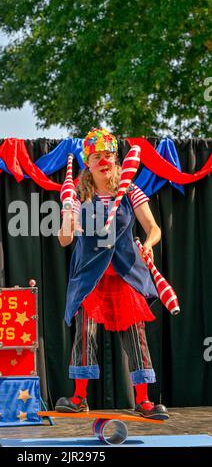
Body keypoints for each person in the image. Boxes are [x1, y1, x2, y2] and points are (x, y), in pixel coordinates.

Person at [55, 128, 168, 420]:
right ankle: (79, 397)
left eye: (108, 155)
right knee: (84, 331)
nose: (104, 161)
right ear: (87, 163)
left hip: (125, 271)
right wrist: (68, 221)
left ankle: (143, 400)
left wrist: (150, 245)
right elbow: (64, 240)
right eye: (97, 156)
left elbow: (153, 229)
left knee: (135, 333)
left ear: (116, 159)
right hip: (90, 274)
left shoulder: (130, 191)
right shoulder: (78, 196)